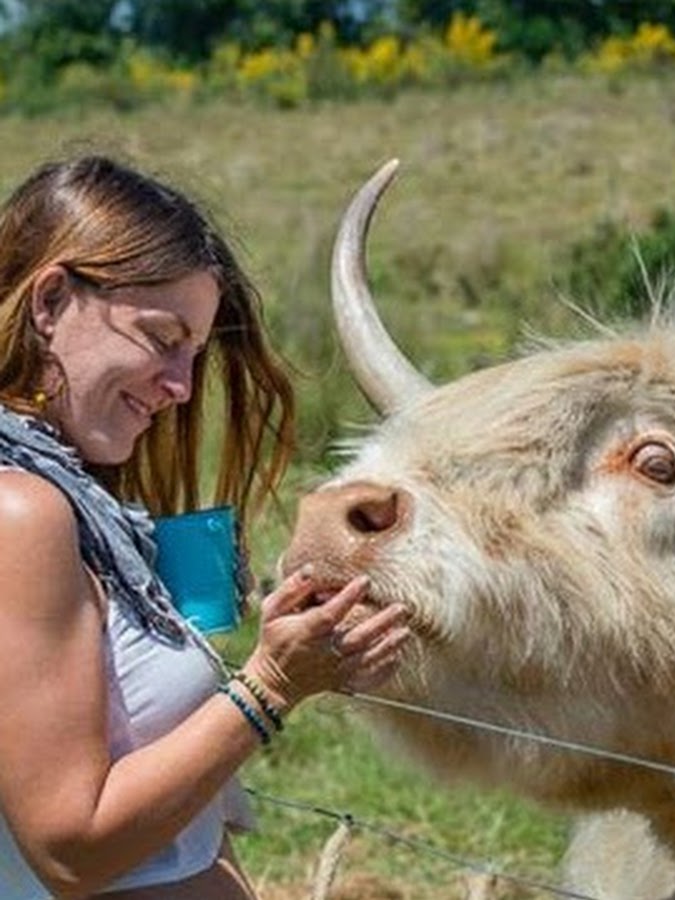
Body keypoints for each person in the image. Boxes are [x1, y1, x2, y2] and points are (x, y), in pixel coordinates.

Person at [0, 154, 410, 898]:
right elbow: (71, 850)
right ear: (51, 299)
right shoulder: (19, 515)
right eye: (163, 338)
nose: (183, 388)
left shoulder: (78, 500)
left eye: (193, 355)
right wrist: (272, 686)